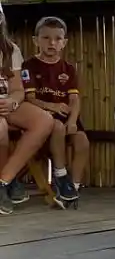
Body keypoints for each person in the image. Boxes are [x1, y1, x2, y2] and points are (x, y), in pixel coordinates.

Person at [23, 16, 89, 199]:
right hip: (42, 117)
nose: (52, 43)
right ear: (36, 40)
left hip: (66, 116)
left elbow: (74, 99)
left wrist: (73, 121)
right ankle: (60, 176)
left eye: (58, 39)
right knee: (57, 127)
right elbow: (29, 98)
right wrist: (51, 106)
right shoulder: (28, 66)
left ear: (64, 43)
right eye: (46, 38)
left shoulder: (68, 69)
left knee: (82, 141)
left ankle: (73, 188)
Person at [0, 5, 54, 214]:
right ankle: (7, 184)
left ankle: (4, 180)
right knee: (1, 127)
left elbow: (17, 89)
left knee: (44, 121)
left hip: (5, 103)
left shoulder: (10, 50)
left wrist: (12, 102)